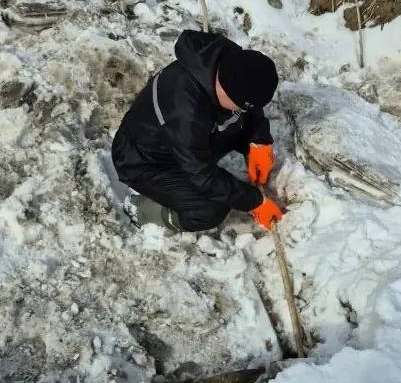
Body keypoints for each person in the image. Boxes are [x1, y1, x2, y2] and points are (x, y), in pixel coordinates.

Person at [112, 30, 283, 234]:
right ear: (227, 91)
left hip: (180, 142)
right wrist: (255, 202)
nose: (244, 111)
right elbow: (203, 176)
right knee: (210, 210)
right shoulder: (185, 111)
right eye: (242, 106)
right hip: (143, 160)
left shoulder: (226, 60)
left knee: (239, 123)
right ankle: (144, 210)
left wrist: (259, 140)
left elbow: (249, 104)